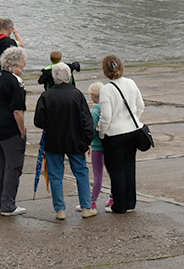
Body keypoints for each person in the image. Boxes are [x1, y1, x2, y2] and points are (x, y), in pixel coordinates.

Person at [34, 63, 96, 220]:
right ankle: (86, 207)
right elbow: (86, 120)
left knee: (55, 175)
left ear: (54, 77)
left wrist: (49, 125)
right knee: (81, 172)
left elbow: (38, 120)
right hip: (76, 139)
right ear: (69, 76)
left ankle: (60, 209)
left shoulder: (47, 95)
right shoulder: (77, 94)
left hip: (54, 139)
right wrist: (89, 138)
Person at [97, 54, 144, 214]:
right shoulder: (131, 83)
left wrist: (102, 133)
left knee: (116, 171)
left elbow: (106, 117)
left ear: (105, 71)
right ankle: (130, 202)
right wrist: (134, 120)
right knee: (129, 167)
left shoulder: (106, 90)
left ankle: (119, 204)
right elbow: (140, 105)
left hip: (114, 134)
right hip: (132, 130)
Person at [0, 46, 28, 216]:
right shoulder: (15, 82)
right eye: (23, 63)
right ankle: (8, 204)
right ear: (17, 64)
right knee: (13, 166)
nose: (24, 66)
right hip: (9, 130)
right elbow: (18, 111)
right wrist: (22, 131)